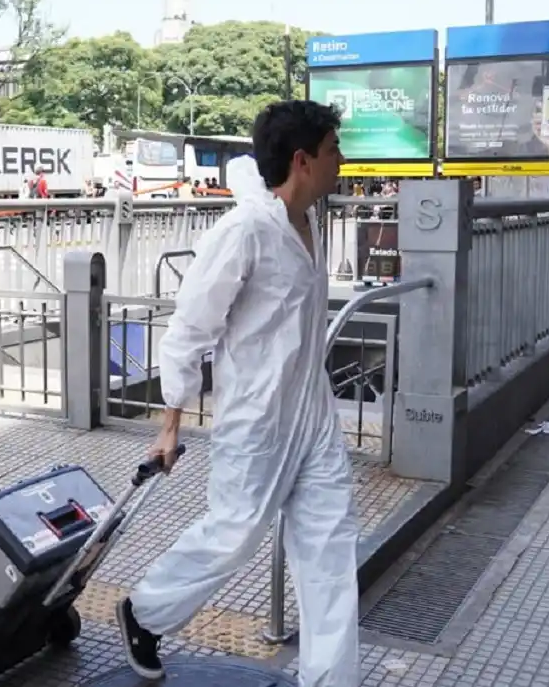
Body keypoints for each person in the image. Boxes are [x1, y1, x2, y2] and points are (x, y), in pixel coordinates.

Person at [115, 101, 359, 685]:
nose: (341, 160)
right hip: (257, 417)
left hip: (313, 414)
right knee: (235, 535)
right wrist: (170, 425)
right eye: (333, 150)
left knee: (331, 550)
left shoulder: (308, 221)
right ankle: (146, 611)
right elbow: (189, 330)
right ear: (302, 160)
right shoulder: (244, 231)